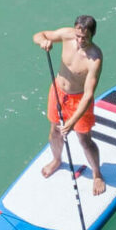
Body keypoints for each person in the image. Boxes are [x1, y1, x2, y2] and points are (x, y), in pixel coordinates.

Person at [33, 16, 107, 196]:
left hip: (79, 100)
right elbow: (39, 34)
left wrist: (73, 121)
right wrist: (43, 42)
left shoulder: (94, 59)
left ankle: (97, 174)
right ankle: (57, 160)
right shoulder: (67, 35)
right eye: (78, 36)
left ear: (93, 35)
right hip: (57, 92)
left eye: (85, 38)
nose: (80, 40)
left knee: (85, 140)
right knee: (55, 131)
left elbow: (89, 95)